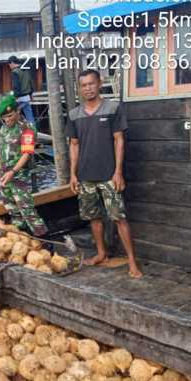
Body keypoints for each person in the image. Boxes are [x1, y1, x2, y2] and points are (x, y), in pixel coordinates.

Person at [66, 68, 142, 278]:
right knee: (94, 217)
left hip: (109, 174)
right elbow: (74, 145)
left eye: (91, 84)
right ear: (79, 89)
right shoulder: (74, 115)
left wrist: (118, 172)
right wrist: (73, 175)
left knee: (119, 218)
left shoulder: (112, 108)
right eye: (83, 85)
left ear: (99, 84)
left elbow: (119, 139)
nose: (88, 88)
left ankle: (133, 263)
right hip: (85, 176)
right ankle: (101, 254)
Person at [0, 94, 48, 237]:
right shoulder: (3, 131)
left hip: (19, 177)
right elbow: (0, 156)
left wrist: (13, 172)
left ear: (17, 112)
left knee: (28, 211)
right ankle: (23, 237)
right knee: (13, 211)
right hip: (4, 178)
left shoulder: (26, 129)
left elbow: (26, 154)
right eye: (4, 117)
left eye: (10, 115)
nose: (7, 120)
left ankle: (45, 242)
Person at [8, 55, 35, 125]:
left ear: (12, 63)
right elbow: (31, 82)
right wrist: (31, 94)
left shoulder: (15, 72)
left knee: (12, 114)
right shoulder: (26, 70)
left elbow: (16, 86)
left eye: (9, 65)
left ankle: (17, 130)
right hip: (27, 97)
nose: (9, 67)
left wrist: (15, 97)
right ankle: (33, 130)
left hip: (20, 97)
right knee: (30, 116)